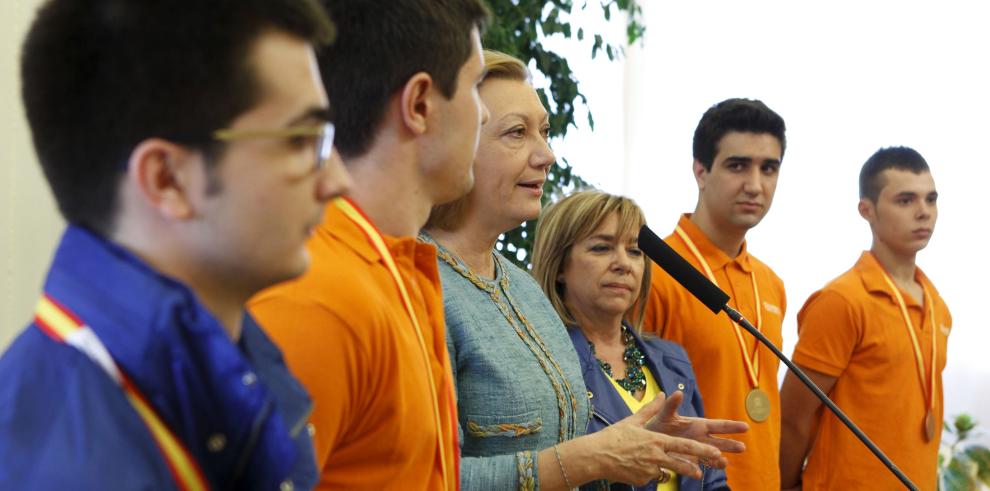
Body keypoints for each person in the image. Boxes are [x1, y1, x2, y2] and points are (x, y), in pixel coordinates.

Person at [0, 0, 349, 489]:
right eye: (300, 140)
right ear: (167, 179)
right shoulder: (65, 466)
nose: (337, 179)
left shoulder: (226, 374)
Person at [422, 50, 744, 491]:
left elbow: (569, 449)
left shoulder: (522, 288)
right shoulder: (416, 282)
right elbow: (425, 479)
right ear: (452, 144)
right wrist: (591, 457)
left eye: (545, 132)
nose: (547, 155)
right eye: (517, 132)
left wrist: (636, 444)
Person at [247, 0, 490, 488]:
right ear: (419, 104)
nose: (483, 114)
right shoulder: (316, 295)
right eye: (475, 86)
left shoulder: (391, 268)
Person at [531, 190, 735, 491]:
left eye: (636, 251)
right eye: (602, 248)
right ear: (560, 266)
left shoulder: (673, 357)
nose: (623, 264)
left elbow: (710, 479)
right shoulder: (540, 363)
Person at [779, 147, 951, 491]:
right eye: (905, 201)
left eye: (930, 200)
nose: (924, 212)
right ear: (866, 210)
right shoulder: (842, 300)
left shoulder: (936, 305)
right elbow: (794, 418)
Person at [642, 98, 787, 490]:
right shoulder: (653, 273)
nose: (755, 184)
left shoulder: (770, 283)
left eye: (768, 168)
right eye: (737, 165)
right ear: (700, 170)